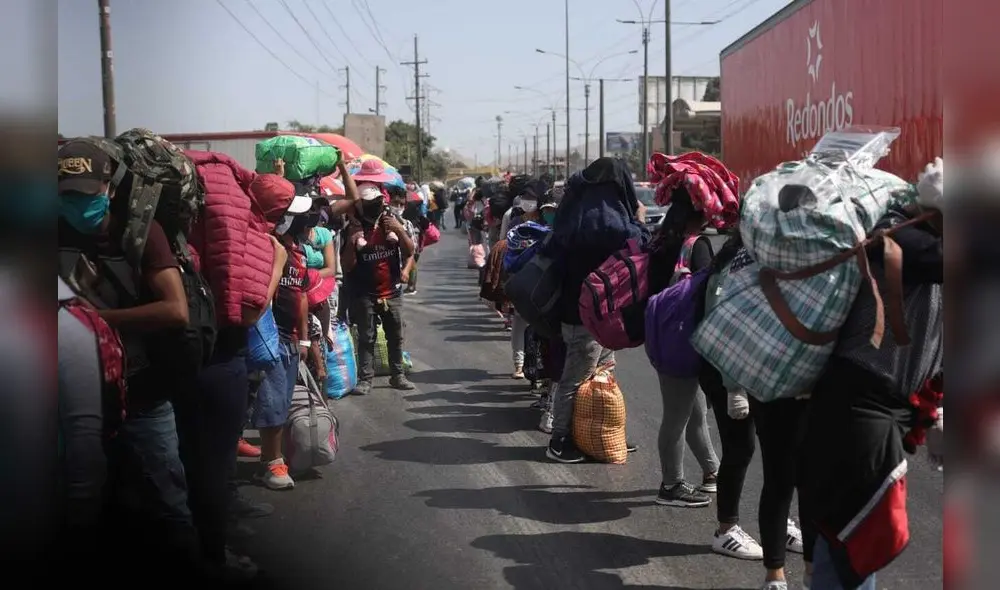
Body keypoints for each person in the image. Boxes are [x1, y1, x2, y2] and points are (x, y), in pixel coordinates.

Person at [57, 139, 205, 579]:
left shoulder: (141, 231)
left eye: (88, 192)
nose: (78, 203)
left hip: (142, 393)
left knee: (167, 499)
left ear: (111, 185)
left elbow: (175, 309)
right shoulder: (52, 230)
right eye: (67, 194)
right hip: (75, 393)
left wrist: (95, 320)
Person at [798, 159, 944, 590]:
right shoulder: (902, 240)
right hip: (856, 408)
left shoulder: (924, 243)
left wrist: (936, 413)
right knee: (855, 539)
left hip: (872, 410)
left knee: (853, 541)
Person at [542, 158, 647, 463]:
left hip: (582, 312)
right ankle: (559, 441)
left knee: (600, 374)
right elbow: (639, 245)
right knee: (577, 378)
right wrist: (639, 219)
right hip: (589, 316)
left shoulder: (573, 213)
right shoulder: (607, 220)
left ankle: (596, 434)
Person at [650, 188, 721, 508]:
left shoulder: (662, 241)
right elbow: (710, 293)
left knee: (694, 411)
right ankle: (671, 484)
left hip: (664, 335)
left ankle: (711, 472)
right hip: (687, 340)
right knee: (678, 416)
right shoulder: (698, 245)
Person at [250, 189, 314, 490]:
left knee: (281, 401)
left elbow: (300, 296)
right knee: (272, 402)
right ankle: (271, 464)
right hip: (268, 338)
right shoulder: (265, 250)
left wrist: (304, 339)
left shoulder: (297, 252)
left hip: (290, 339)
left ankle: (272, 455)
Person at [342, 161, 417, 394]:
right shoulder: (353, 227)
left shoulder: (391, 223)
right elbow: (347, 266)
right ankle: (366, 379)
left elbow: (410, 251)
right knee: (366, 337)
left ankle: (398, 375)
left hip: (392, 291)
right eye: (369, 203)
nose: (374, 207)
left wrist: (399, 229)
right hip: (364, 292)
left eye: (377, 202)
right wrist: (354, 242)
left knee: (396, 336)